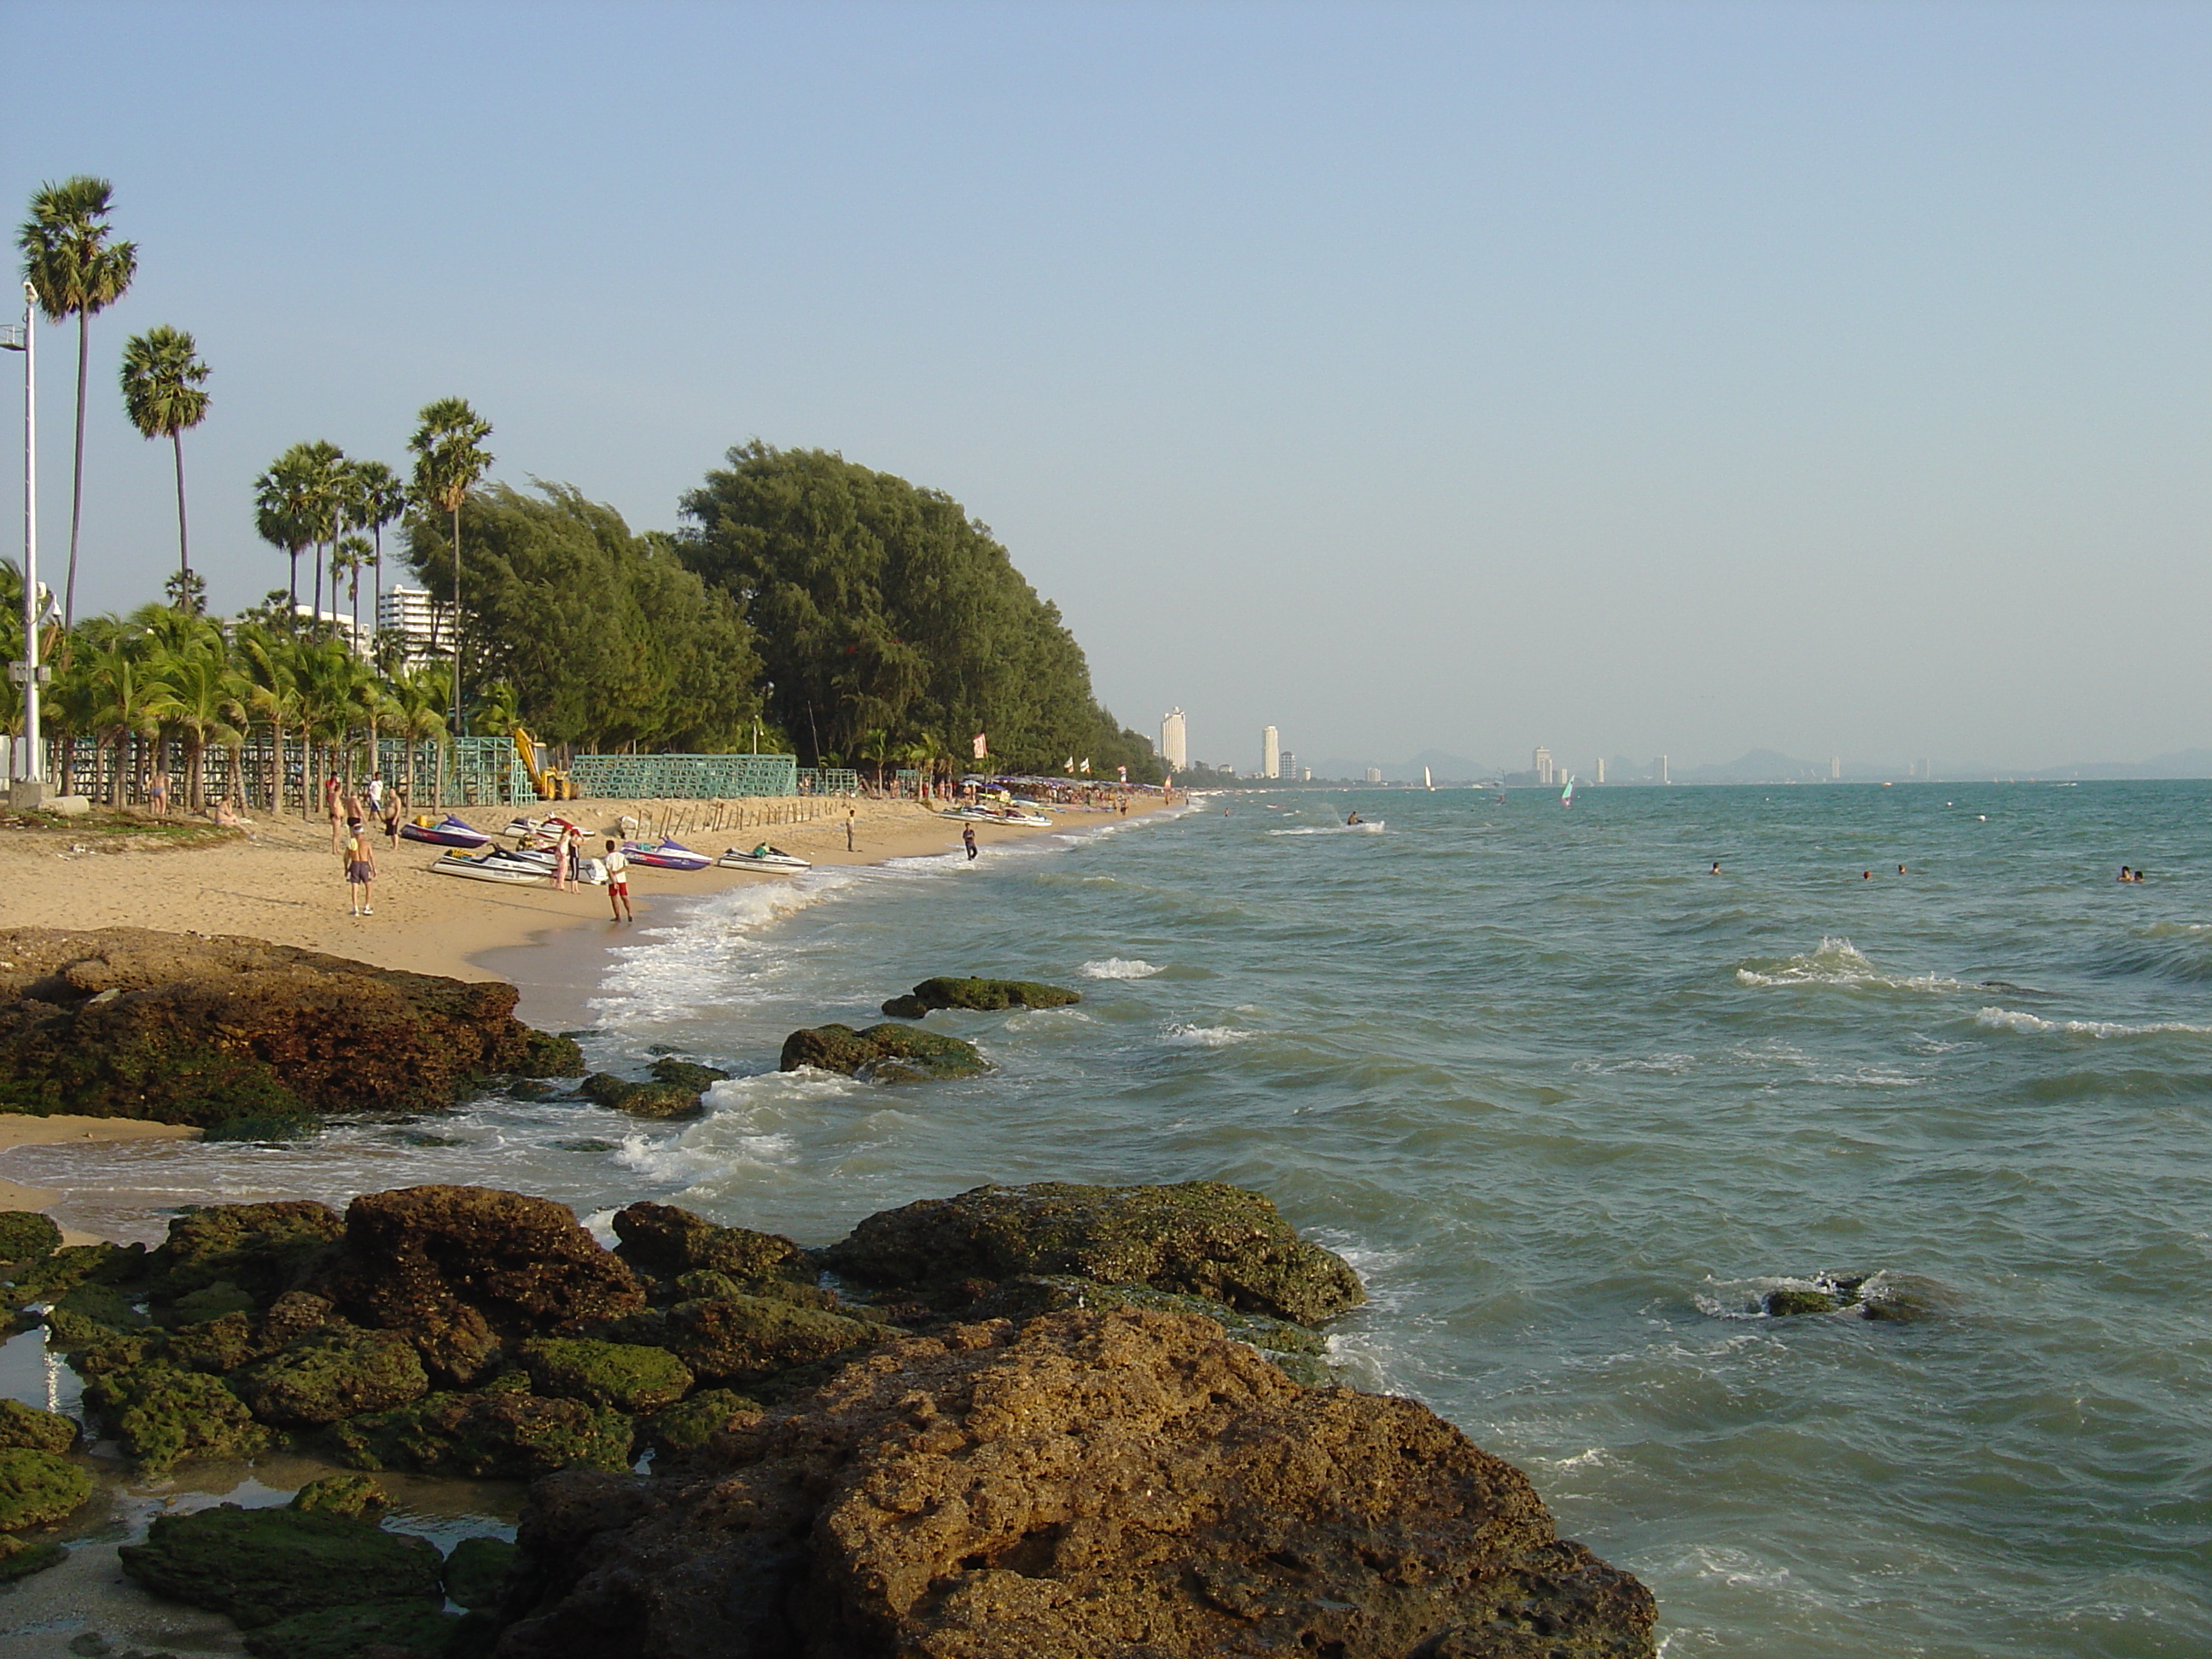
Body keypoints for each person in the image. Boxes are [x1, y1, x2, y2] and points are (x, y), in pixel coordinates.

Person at [345, 823, 375, 915]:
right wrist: (374, 868)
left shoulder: (351, 844)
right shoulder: (366, 844)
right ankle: (366, 906)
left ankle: (355, 908)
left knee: (355, 886)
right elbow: (371, 856)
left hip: (354, 863)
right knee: (368, 885)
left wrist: (346, 868)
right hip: (364, 864)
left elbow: (346, 857)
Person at [603, 840, 633, 920]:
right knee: (624, 897)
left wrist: (614, 881)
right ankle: (629, 913)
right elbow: (626, 866)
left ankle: (618, 916)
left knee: (614, 899)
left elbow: (609, 871)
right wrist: (618, 871)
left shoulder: (607, 857)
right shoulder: (621, 855)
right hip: (622, 879)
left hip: (613, 881)